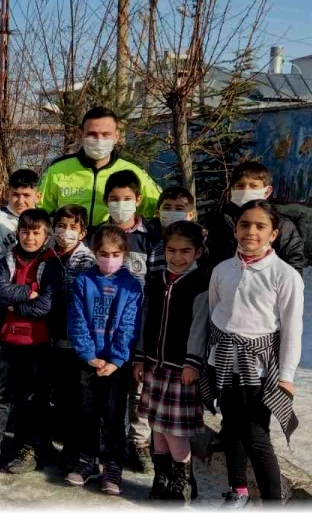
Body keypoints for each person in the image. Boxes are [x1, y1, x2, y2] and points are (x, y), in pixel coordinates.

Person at [203, 200, 304, 507]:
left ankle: (273, 502)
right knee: (231, 428)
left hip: (258, 370)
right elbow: (215, 313)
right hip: (223, 363)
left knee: (256, 436)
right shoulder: (222, 270)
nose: (251, 231)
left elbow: (292, 328)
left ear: (273, 234)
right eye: (245, 225)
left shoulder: (285, 275)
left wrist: (286, 376)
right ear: (235, 230)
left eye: (261, 226)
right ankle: (239, 491)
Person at [0, 209, 61, 474]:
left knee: (33, 399)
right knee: (2, 396)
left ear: (46, 235)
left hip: (38, 343)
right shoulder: (8, 259)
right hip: (9, 339)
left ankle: (29, 448)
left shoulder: (51, 263)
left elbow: (46, 305)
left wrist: (16, 306)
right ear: (17, 233)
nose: (30, 238)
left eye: (36, 232)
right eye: (25, 232)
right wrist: (29, 291)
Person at [133, 221, 210, 502]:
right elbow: (144, 321)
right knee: (157, 426)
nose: (177, 258)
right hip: (154, 365)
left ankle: (183, 480)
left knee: (175, 431)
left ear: (197, 252)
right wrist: (140, 357)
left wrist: (193, 362)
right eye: (171, 251)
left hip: (181, 369)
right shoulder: (156, 282)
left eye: (185, 251)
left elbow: (200, 326)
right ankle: (162, 476)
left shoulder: (201, 284)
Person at [95, 169, 164, 473]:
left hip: (139, 325)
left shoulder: (151, 239)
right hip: (103, 327)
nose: (120, 204)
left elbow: (157, 285)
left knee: (138, 391)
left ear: (138, 199)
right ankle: (105, 442)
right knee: (104, 389)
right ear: (105, 200)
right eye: (114, 198)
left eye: (126, 198)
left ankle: (139, 443)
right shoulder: (96, 234)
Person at [66, 226, 142, 496]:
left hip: (116, 365)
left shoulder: (131, 286)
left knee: (113, 416)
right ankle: (87, 461)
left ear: (125, 254)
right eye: (103, 254)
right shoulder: (83, 282)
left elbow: (130, 325)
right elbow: (77, 320)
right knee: (87, 413)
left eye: (115, 254)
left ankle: (113, 466)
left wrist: (117, 359)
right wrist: (88, 355)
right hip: (89, 361)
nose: (109, 259)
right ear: (94, 252)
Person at [39, 106, 162, 229]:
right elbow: (37, 210)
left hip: (114, 239)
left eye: (106, 134)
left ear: (116, 136)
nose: (99, 140)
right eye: (92, 134)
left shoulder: (134, 172)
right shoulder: (57, 169)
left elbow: (158, 210)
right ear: (81, 135)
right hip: (70, 239)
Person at [47, 205, 95, 472]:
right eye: (61, 226)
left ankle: (77, 453)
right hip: (50, 340)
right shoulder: (47, 254)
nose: (66, 232)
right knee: (60, 398)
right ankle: (60, 446)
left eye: (73, 227)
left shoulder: (87, 261)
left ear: (83, 232)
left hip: (78, 343)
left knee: (79, 401)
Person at [202, 161, 306, 271]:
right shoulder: (218, 221)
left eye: (253, 186)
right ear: (232, 190)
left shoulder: (282, 224)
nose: (246, 191)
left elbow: (293, 265)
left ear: (267, 191)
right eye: (240, 186)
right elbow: (207, 260)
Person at [0, 168, 40, 274]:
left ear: (37, 197)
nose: (20, 201)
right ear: (7, 194)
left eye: (26, 195)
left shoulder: (43, 220)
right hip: (8, 282)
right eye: (15, 195)